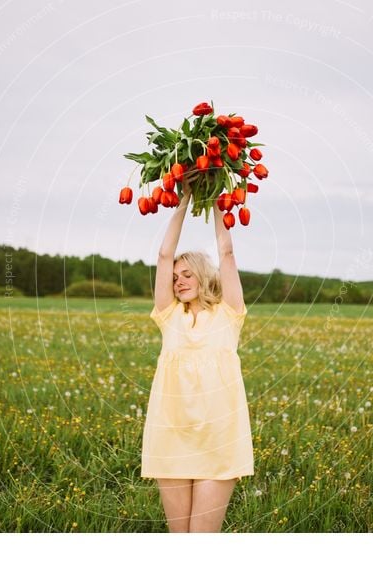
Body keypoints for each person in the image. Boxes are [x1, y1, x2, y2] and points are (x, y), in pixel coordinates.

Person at [141, 193, 254, 533]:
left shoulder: (229, 313)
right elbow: (163, 256)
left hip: (218, 437)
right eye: (176, 277)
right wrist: (183, 200)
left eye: (187, 274)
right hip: (171, 434)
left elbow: (227, 254)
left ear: (204, 275)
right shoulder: (168, 315)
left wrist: (215, 196)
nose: (179, 281)